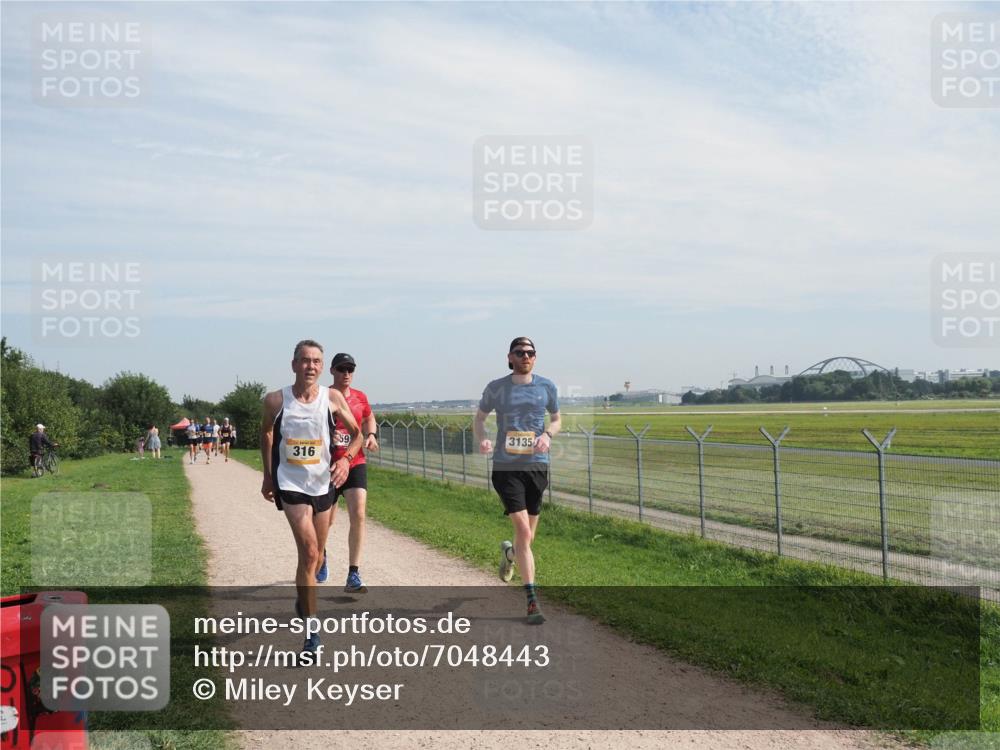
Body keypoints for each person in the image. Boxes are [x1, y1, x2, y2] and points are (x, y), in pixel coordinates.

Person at [260, 340, 362, 654]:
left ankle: (304, 597)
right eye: (305, 360)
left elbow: (357, 434)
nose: (311, 366)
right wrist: (267, 475)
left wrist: (346, 460)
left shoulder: (331, 398)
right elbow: (266, 432)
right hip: (290, 483)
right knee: (309, 551)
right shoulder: (276, 400)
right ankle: (312, 634)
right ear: (294, 365)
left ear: (321, 366)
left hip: (323, 485)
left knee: (316, 558)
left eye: (317, 361)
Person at [473, 336, 560, 625]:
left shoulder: (547, 386)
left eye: (531, 352)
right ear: (510, 357)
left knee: (526, 540)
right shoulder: (496, 388)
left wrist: (548, 435)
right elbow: (480, 418)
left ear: (535, 357)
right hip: (506, 468)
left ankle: (509, 554)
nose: (526, 356)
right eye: (520, 352)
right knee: (523, 531)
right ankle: (532, 601)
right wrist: (483, 440)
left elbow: (557, 419)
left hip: (537, 466)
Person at [318, 353, 378, 592]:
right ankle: (321, 557)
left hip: (354, 461)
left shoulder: (360, 397)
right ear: (332, 371)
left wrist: (371, 434)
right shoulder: (323, 396)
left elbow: (369, 417)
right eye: (342, 369)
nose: (347, 373)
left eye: (350, 369)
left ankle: (354, 573)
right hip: (328, 465)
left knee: (359, 513)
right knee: (326, 521)